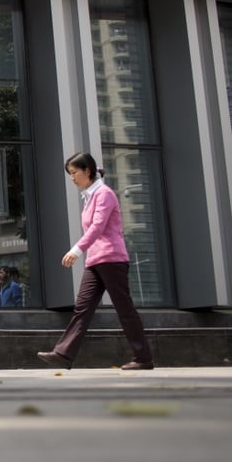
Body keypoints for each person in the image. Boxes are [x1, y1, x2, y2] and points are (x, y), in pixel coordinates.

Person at [37, 152, 154, 371]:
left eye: (74, 173)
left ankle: (143, 357)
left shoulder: (104, 194)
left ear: (87, 171)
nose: (72, 178)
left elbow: (98, 227)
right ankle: (64, 354)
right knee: (82, 308)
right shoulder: (90, 196)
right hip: (95, 261)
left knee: (124, 309)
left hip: (111, 258)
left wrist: (77, 249)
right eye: (69, 174)